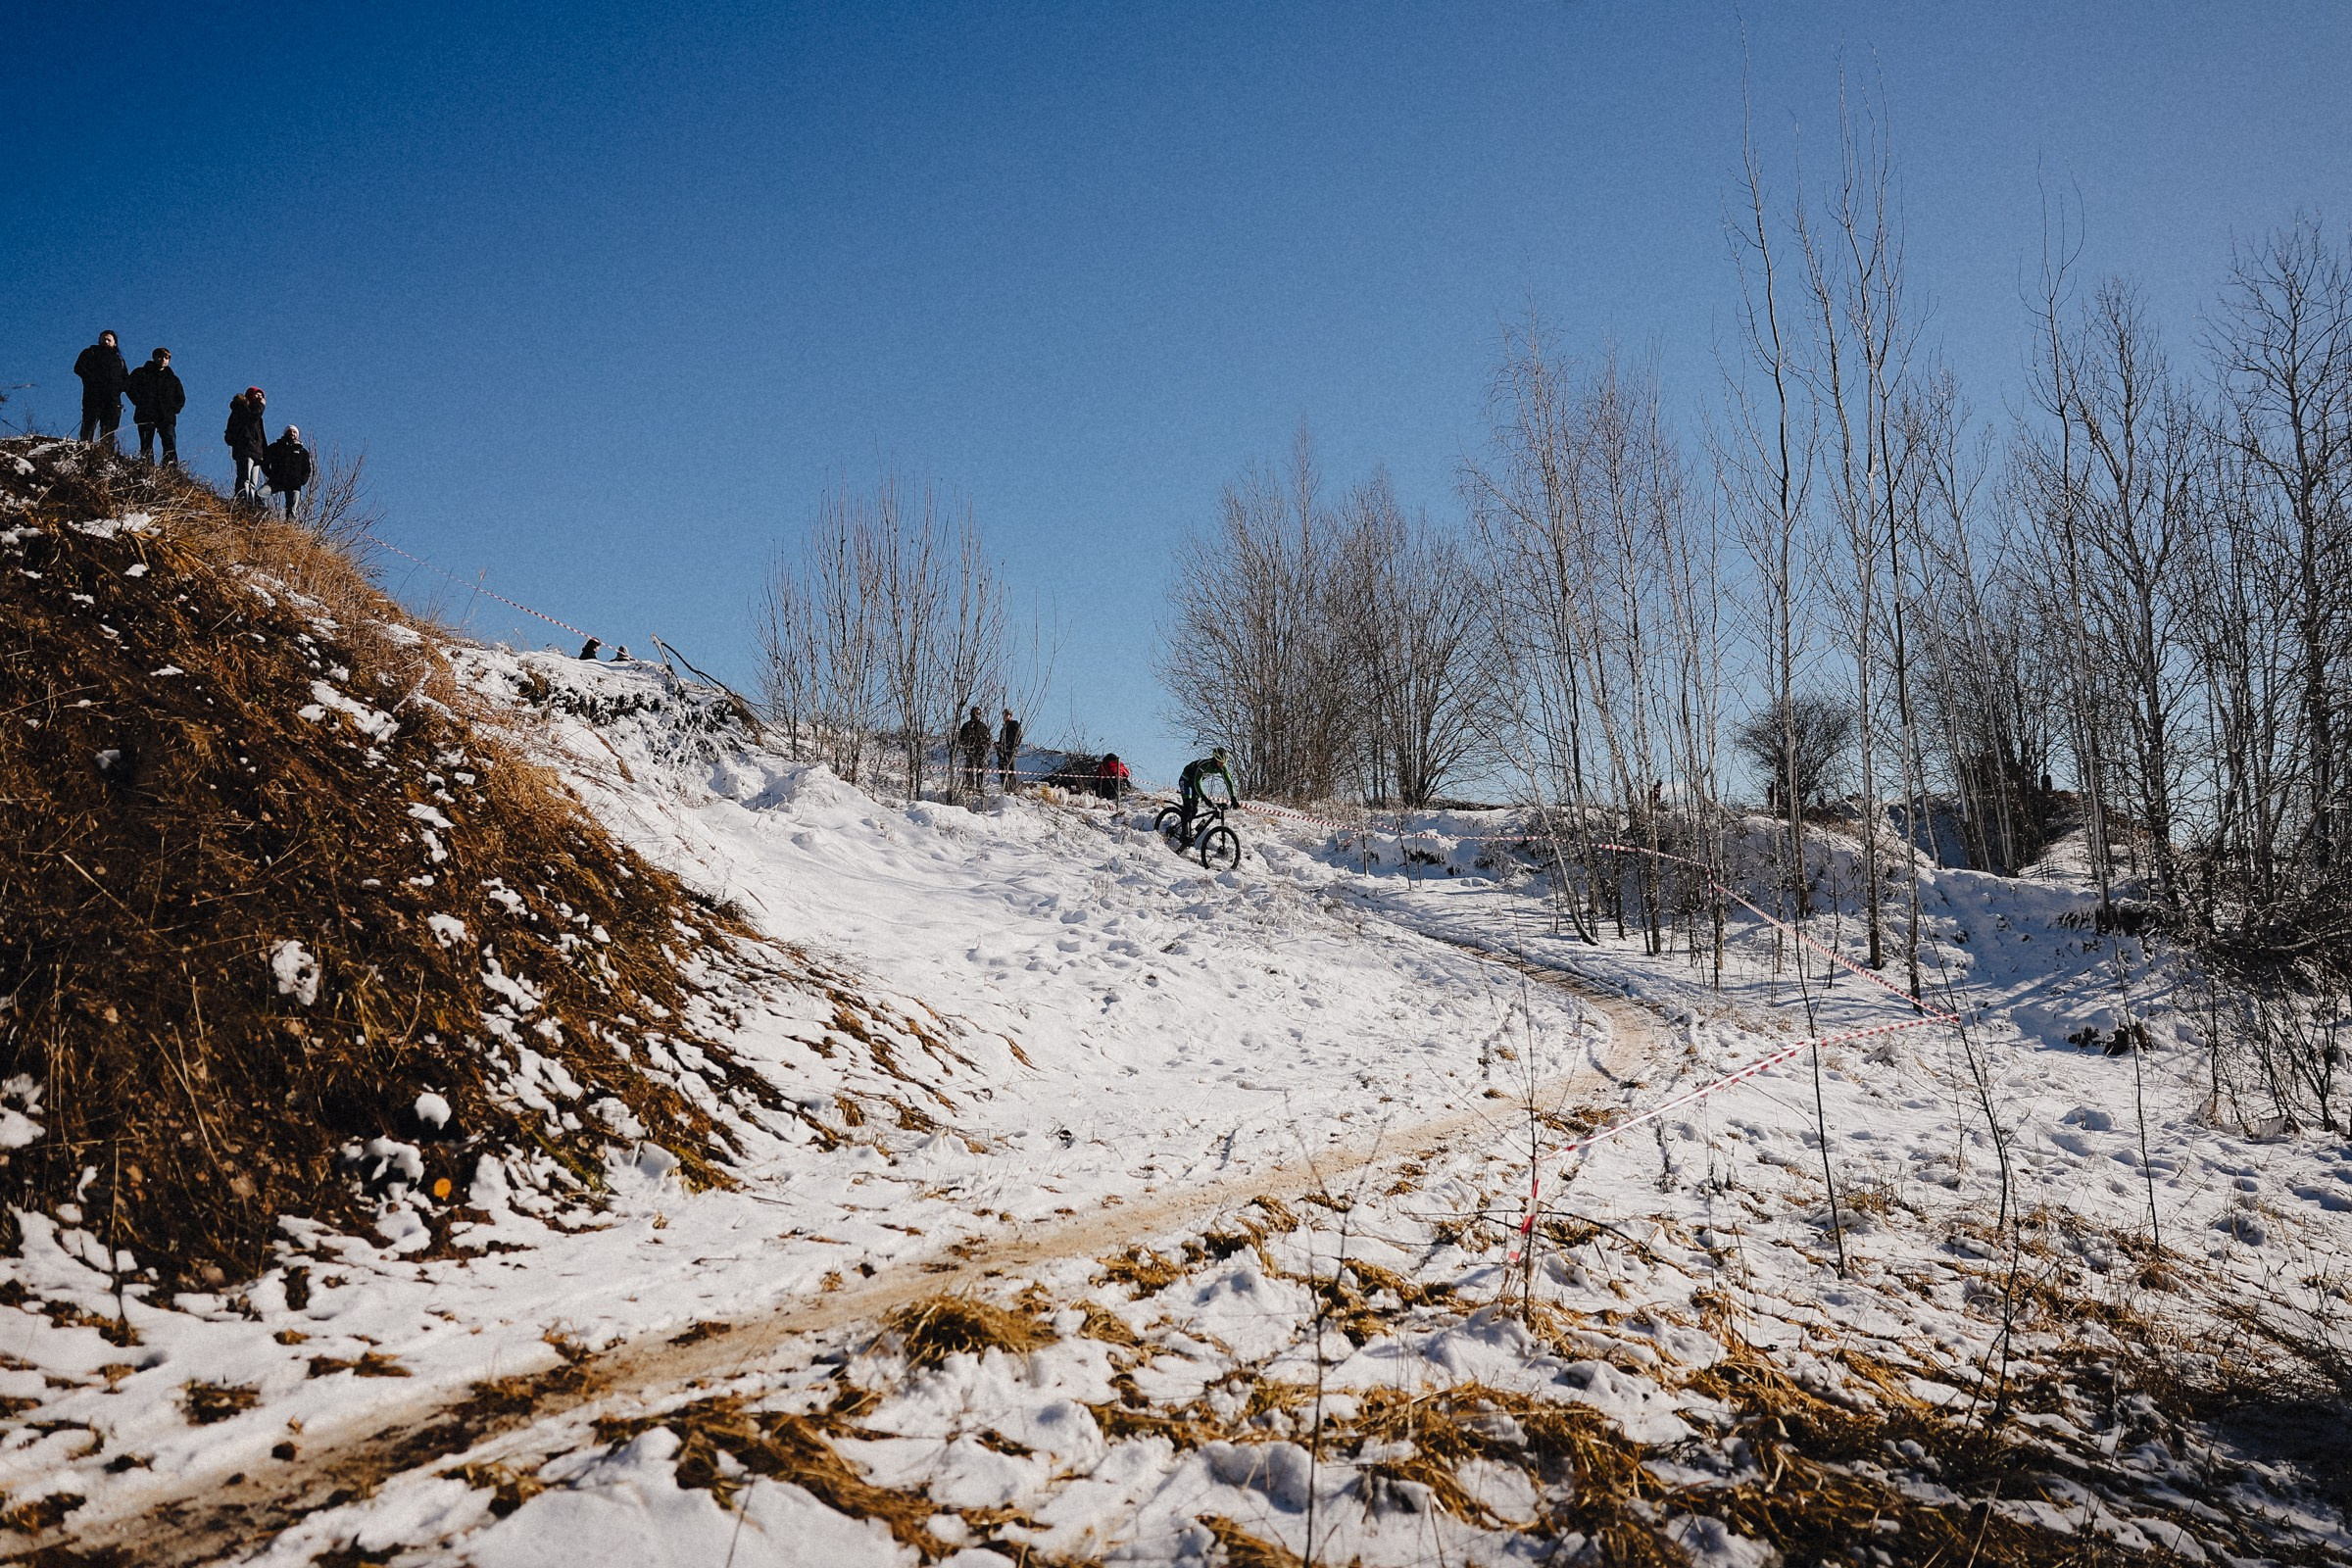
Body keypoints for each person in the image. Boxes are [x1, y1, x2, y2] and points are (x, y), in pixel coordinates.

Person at [124, 348, 186, 466]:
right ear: (154, 357)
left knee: (169, 443)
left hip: (166, 416)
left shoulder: (172, 379)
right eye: (160, 356)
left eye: (166, 357)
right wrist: (140, 402)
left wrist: (172, 409)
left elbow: (180, 398)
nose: (163, 359)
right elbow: (129, 387)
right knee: (146, 443)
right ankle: (147, 467)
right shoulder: (141, 373)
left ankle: (170, 469)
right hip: (146, 414)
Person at [74, 331, 130, 448]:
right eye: (103, 339)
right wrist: (93, 380)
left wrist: (119, 387)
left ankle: (106, 454)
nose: (106, 341)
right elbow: (79, 368)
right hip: (93, 396)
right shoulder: (91, 353)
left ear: (115, 343)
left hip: (112, 400)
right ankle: (84, 449)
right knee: (88, 426)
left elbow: (126, 379)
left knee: (109, 431)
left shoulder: (119, 360)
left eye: (109, 340)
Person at [1177, 745, 1239, 842]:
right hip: (1186, 779)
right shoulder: (1205, 765)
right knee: (1188, 806)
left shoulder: (1222, 768)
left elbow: (1229, 783)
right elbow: (1197, 782)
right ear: (1215, 759)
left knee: (1194, 810)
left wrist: (1233, 798)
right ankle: (1183, 834)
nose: (1222, 765)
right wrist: (1204, 797)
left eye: (1224, 763)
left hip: (1195, 782)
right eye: (1220, 762)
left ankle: (1187, 826)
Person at [224, 387, 270, 501]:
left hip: (257, 452)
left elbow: (261, 436)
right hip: (245, 449)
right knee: (245, 477)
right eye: (257, 395)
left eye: (261, 396)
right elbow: (252, 418)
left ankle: (250, 503)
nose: (259, 398)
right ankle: (242, 500)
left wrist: (265, 453)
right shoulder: (242, 408)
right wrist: (261, 406)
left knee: (253, 482)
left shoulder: (257, 415)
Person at [264, 424, 314, 516]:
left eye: (294, 432)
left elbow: (307, 468)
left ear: (297, 435)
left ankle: (289, 523)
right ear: (285, 433)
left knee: (292, 512)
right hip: (277, 481)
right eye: (289, 431)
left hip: (294, 484)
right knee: (259, 495)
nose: (292, 433)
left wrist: (302, 481)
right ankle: (260, 512)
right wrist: (271, 474)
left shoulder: (302, 452)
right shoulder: (275, 447)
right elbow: (265, 461)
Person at [956, 706, 992, 800]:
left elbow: (988, 739)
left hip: (980, 751)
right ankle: (969, 786)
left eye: (978, 713)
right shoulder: (966, 726)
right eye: (975, 713)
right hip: (970, 750)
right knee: (969, 767)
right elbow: (961, 738)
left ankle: (979, 787)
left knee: (980, 768)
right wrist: (967, 745)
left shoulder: (983, 726)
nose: (976, 715)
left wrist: (984, 746)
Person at [996, 708, 1023, 792]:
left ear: (1010, 716)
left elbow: (1018, 736)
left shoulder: (1014, 724)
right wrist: (997, 745)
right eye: (1004, 715)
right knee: (1002, 769)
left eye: (1007, 714)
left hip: (1010, 750)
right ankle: (1005, 788)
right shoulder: (1003, 729)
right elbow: (1001, 741)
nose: (1005, 716)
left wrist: (1012, 746)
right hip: (1002, 752)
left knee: (1011, 770)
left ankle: (1012, 788)